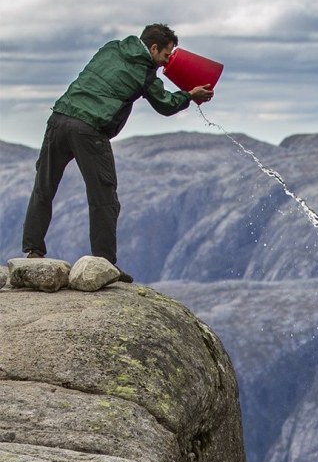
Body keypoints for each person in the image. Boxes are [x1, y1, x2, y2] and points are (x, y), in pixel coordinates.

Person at [21, 23, 215, 281]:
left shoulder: (111, 48)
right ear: (153, 48)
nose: (166, 62)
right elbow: (166, 105)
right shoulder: (145, 72)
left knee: (44, 187)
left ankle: (33, 251)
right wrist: (189, 95)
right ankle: (104, 264)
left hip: (59, 118)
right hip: (90, 130)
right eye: (166, 55)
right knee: (104, 198)